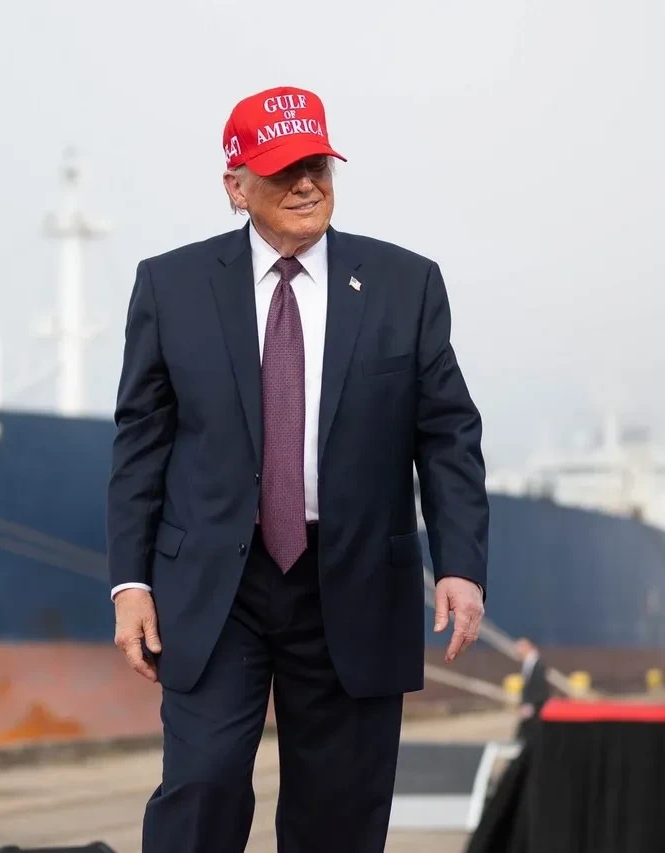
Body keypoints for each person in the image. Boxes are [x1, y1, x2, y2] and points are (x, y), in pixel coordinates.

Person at [106, 85, 490, 853]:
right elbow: (141, 441)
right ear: (236, 185)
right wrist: (130, 583)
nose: (307, 183)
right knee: (202, 787)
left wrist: (460, 565)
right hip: (217, 585)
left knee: (337, 816)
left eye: (317, 165)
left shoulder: (406, 285)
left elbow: (448, 431)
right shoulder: (170, 287)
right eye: (283, 170)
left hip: (355, 579)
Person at [513, 638, 548, 741]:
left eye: (520, 647)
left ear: (527, 648)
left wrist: (530, 705)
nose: (517, 650)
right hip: (532, 706)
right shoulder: (528, 663)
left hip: (536, 706)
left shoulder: (537, 664)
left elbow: (539, 686)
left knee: (526, 733)